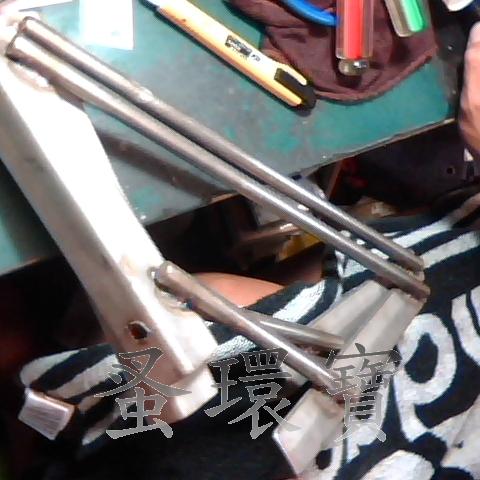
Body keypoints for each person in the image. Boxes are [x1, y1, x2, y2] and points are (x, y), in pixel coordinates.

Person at [6, 22, 480, 480]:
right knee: (196, 305)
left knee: (160, 336)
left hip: (365, 430)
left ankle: (38, 395)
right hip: (419, 302)